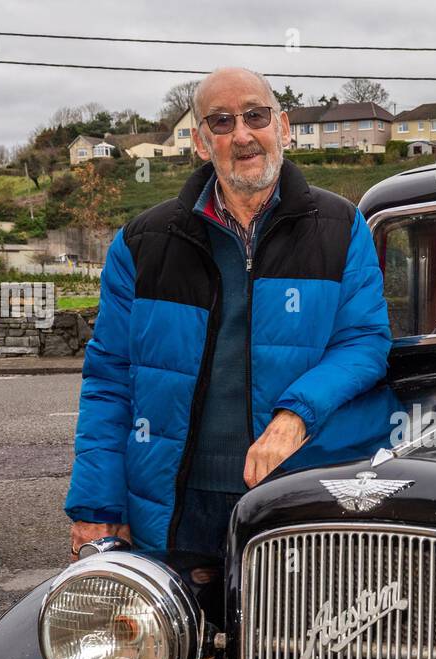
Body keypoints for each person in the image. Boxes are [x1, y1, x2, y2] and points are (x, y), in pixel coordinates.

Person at [63, 68, 391, 558]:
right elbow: (108, 380)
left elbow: (364, 342)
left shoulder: (341, 227)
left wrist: (295, 415)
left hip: (297, 493)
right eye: (221, 122)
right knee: (167, 635)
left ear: (281, 127)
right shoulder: (141, 242)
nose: (242, 134)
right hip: (172, 508)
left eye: (255, 115)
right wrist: (96, 507)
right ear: (200, 142)